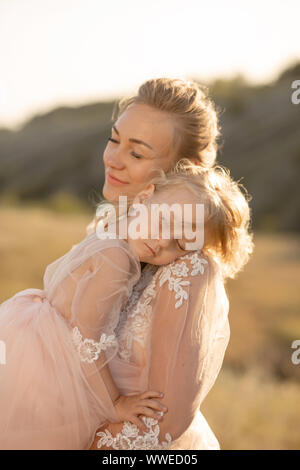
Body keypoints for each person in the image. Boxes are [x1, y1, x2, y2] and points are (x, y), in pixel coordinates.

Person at [0, 163, 222, 450]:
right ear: (144, 198)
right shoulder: (117, 259)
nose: (162, 241)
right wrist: (115, 403)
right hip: (49, 359)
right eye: (164, 221)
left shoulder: (115, 229)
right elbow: (86, 337)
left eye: (180, 244)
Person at [87, 77, 254, 450]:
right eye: (115, 139)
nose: (113, 159)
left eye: (137, 153)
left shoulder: (187, 269)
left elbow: (162, 423)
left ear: (184, 169)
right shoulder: (111, 235)